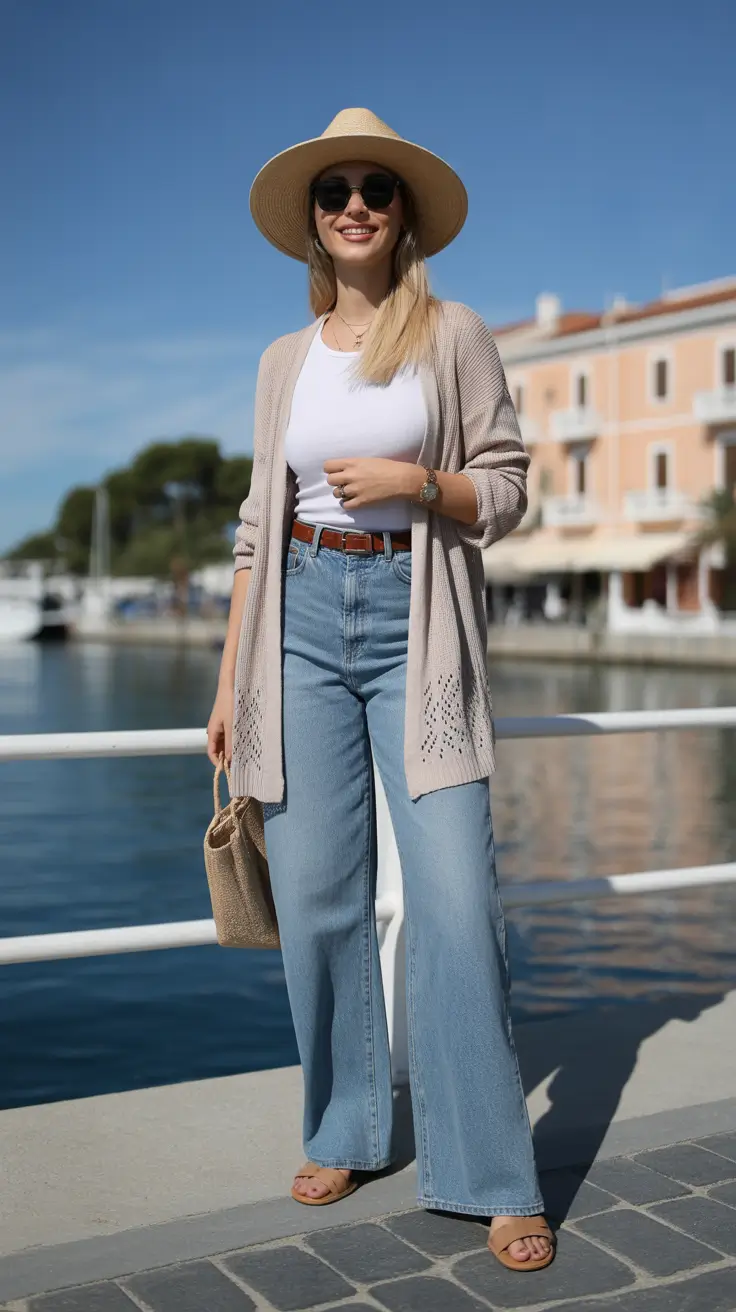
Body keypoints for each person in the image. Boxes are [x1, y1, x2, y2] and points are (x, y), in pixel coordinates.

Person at [207, 108, 554, 1272]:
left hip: (417, 622)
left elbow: (508, 490)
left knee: (455, 901)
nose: (353, 203)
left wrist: (421, 481)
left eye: (375, 189)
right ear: (313, 222)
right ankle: (345, 1127)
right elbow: (259, 531)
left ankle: (491, 1173)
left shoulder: (453, 333)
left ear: (402, 214)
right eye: (334, 191)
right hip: (293, 627)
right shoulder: (280, 361)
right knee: (315, 897)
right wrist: (227, 680)